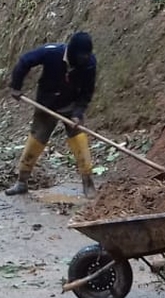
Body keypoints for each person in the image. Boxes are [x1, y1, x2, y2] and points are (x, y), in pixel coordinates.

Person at [6, 32, 97, 197]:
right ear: (72, 52)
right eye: (80, 56)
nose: (83, 60)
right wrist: (16, 86)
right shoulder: (52, 53)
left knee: (79, 140)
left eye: (86, 56)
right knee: (36, 139)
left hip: (71, 104)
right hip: (46, 103)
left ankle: (88, 183)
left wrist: (78, 113)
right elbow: (24, 61)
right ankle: (22, 182)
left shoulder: (89, 64)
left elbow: (87, 92)